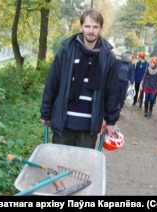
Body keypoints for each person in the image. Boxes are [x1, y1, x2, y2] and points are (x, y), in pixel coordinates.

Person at [40, 9, 120, 149]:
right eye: (88, 26)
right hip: (64, 123)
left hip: (89, 127)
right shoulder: (66, 52)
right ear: (81, 27)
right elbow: (52, 83)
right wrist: (46, 113)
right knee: (60, 164)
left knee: (82, 167)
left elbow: (112, 91)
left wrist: (111, 120)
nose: (91, 30)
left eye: (95, 27)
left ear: (101, 28)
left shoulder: (108, 58)